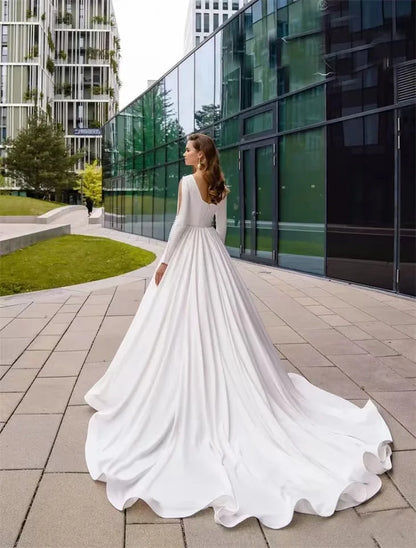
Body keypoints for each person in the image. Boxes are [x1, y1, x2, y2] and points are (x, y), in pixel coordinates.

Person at [84, 133, 392, 529]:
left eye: (189, 148)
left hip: (189, 253)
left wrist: (164, 262)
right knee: (227, 323)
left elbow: (180, 225)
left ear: (200, 155)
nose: (184, 152)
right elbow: (223, 228)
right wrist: (216, 260)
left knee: (174, 322)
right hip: (212, 254)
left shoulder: (185, 183)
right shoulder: (218, 185)